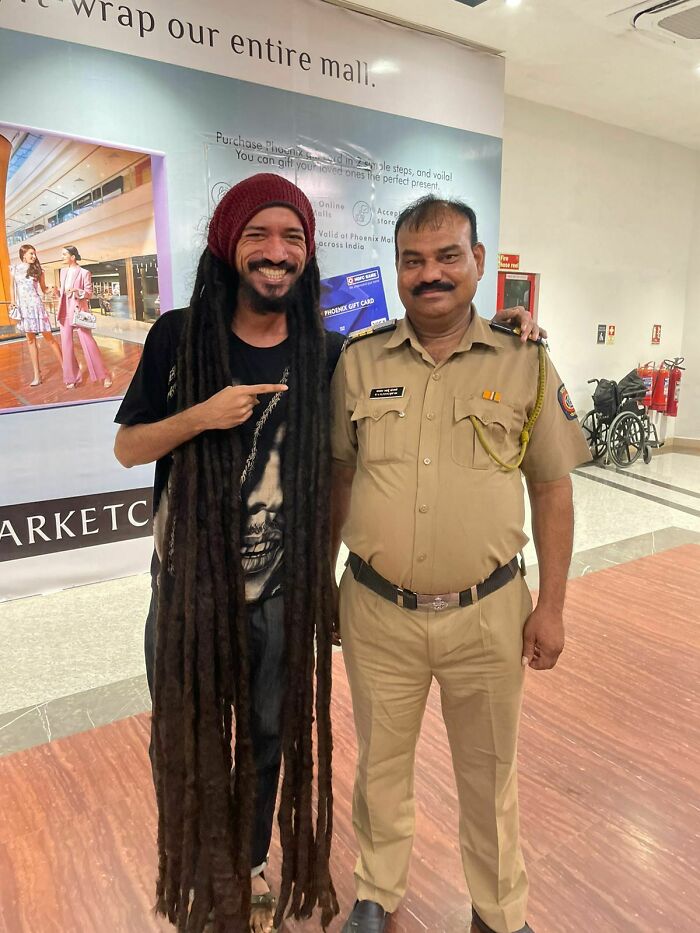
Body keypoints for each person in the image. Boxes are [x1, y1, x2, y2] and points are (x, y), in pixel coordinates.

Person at [330, 195, 591, 933]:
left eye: (448, 255)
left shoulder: (525, 360)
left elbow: (552, 488)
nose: (430, 273)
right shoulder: (358, 361)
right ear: (399, 271)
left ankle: (497, 909)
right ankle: (376, 892)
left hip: (489, 612)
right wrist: (322, 579)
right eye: (413, 259)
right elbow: (337, 479)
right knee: (380, 763)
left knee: (489, 771)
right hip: (378, 610)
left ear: (479, 262)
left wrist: (554, 604)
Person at [113, 174, 343, 933]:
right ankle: (197, 866)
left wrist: (512, 326)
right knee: (187, 737)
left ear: (306, 255)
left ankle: (243, 868)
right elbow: (127, 447)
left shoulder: (328, 352)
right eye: (259, 236)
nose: (276, 254)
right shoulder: (179, 337)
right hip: (186, 591)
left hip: (280, 591)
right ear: (228, 244)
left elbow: (413, 356)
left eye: (293, 239)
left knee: (272, 734)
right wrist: (201, 416)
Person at [58, 245, 112, 389]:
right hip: (64, 311)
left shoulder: (84, 272)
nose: (62, 257)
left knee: (88, 343)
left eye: (64, 254)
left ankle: (104, 375)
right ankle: (72, 378)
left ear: (73, 256)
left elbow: (88, 293)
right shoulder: (62, 272)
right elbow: (63, 292)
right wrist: (56, 292)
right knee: (66, 345)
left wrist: (76, 290)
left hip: (79, 310)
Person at [9, 244, 62, 386]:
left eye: (34, 254)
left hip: (37, 307)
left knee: (49, 338)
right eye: (31, 253)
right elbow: (12, 287)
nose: (34, 256)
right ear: (23, 255)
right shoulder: (15, 269)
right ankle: (37, 375)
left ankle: (66, 368)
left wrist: (52, 289)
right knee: (30, 341)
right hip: (24, 309)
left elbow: (44, 290)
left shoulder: (38, 270)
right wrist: (13, 302)